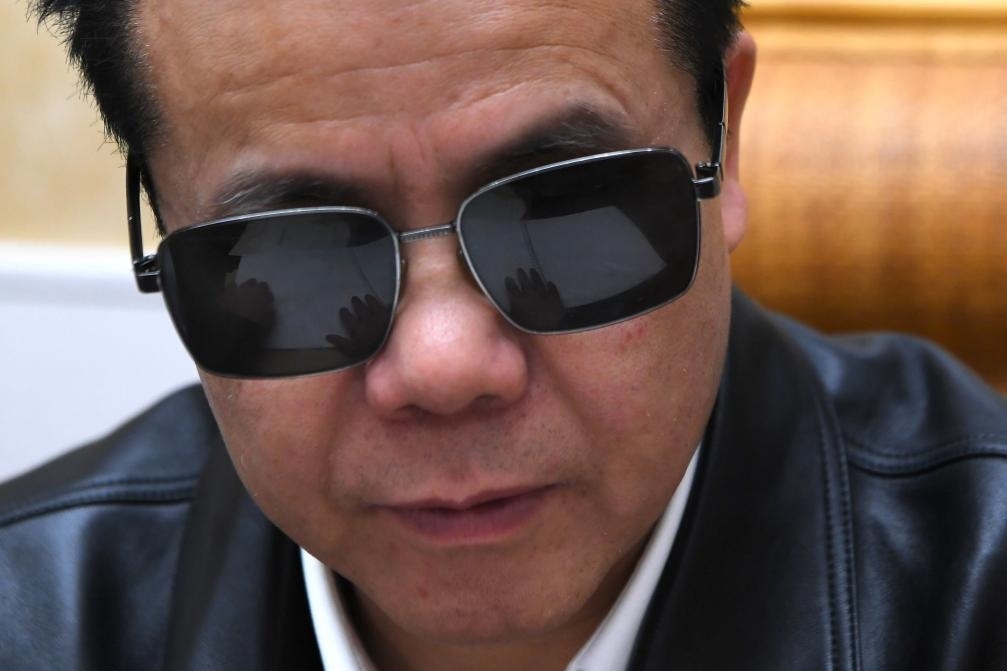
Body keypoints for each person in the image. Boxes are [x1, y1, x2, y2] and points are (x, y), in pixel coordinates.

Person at [2, 0, 1006, 669]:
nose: (444, 364)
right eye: (296, 253)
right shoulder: (33, 615)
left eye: (561, 210)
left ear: (723, 139)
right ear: (164, 223)